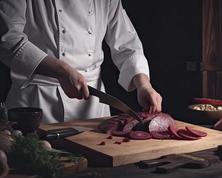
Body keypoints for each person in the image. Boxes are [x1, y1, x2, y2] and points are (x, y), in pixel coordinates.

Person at [0, 0, 162, 123]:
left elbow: (127, 43)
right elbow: (7, 40)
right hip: (37, 105)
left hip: (94, 108)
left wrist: (143, 85)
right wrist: (61, 70)